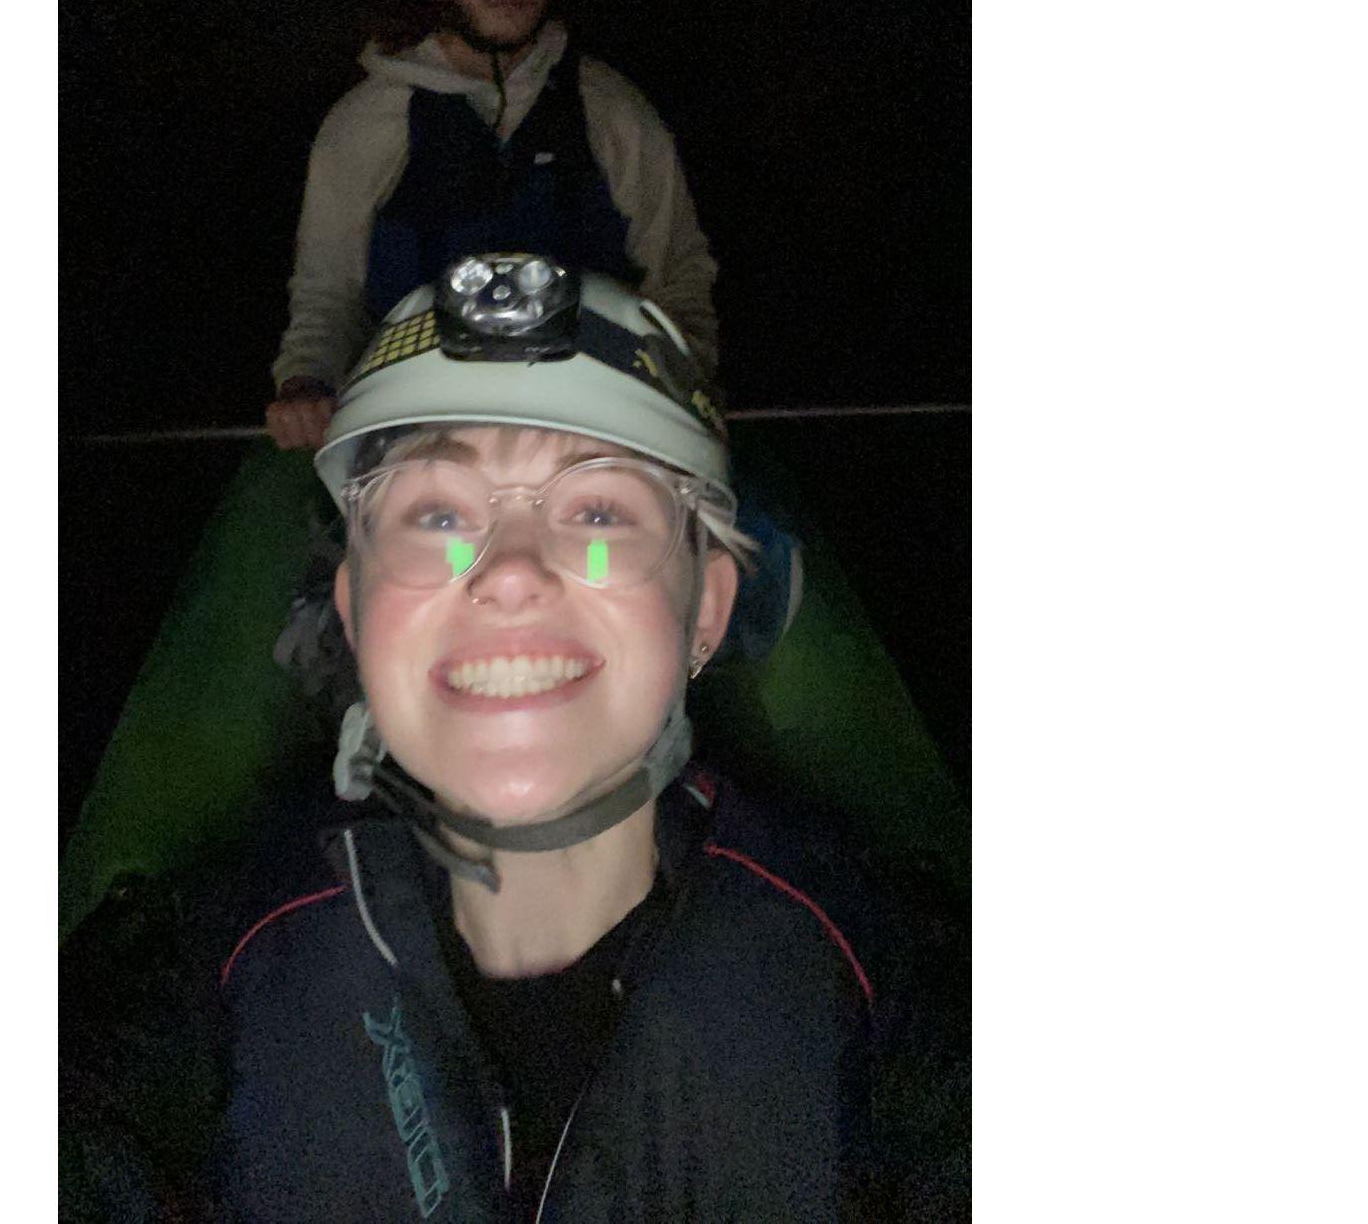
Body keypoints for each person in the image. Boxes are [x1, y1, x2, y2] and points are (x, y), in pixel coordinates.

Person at [62, 253, 967, 1221]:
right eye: (437, 512)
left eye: (596, 510)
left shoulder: (881, 989)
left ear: (704, 608)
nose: (508, 570)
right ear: (355, 611)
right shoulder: (208, 971)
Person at [265, 0, 721, 453]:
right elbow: (327, 296)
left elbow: (678, 278)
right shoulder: (365, 122)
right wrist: (304, 385)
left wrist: (682, 391)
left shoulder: (614, 112)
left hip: (591, 432)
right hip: (417, 439)